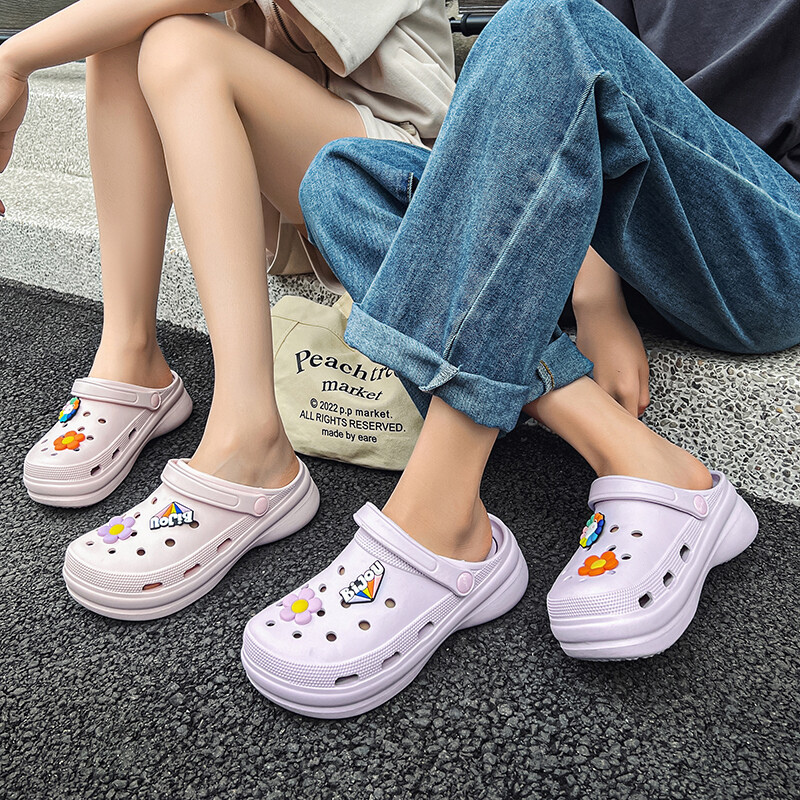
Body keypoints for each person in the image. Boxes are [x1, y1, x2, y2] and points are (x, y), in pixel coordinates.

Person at [239, 0, 800, 717]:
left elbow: (569, 42)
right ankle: (634, 452)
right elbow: (585, 88)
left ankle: (439, 518)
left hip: (760, 242)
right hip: (614, 227)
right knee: (345, 178)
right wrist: (598, 297)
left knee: (540, 20)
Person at [0, 0, 455, 618]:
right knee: (124, 30)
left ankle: (251, 439)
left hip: (420, 193)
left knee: (180, 48)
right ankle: (131, 352)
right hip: (315, 174)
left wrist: (14, 60)